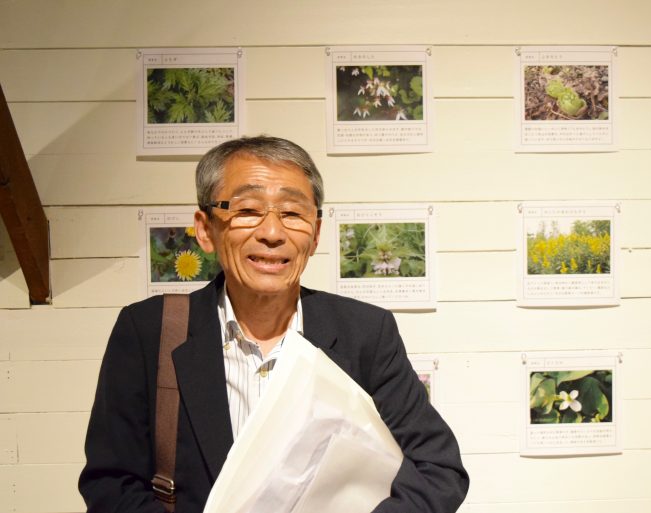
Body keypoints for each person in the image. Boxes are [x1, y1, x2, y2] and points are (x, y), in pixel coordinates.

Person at [79, 135, 469, 513]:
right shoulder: (151, 331)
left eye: (292, 213)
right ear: (205, 229)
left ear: (315, 234)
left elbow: (437, 469)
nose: (271, 232)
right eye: (247, 210)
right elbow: (111, 483)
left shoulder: (365, 332)